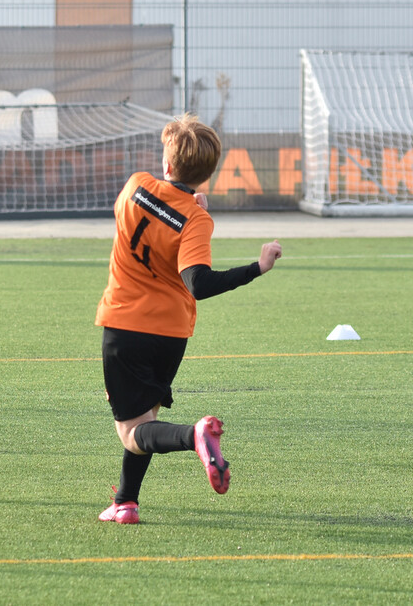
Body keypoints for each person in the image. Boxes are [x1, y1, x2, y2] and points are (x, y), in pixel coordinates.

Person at [94, 113, 282, 524]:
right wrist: (258, 267)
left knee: (132, 432)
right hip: (170, 335)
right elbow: (198, 282)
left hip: (125, 326)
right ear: (208, 175)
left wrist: (179, 201)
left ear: (167, 161)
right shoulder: (197, 219)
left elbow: (144, 217)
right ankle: (125, 502)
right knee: (146, 418)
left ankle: (193, 435)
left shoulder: (135, 185)